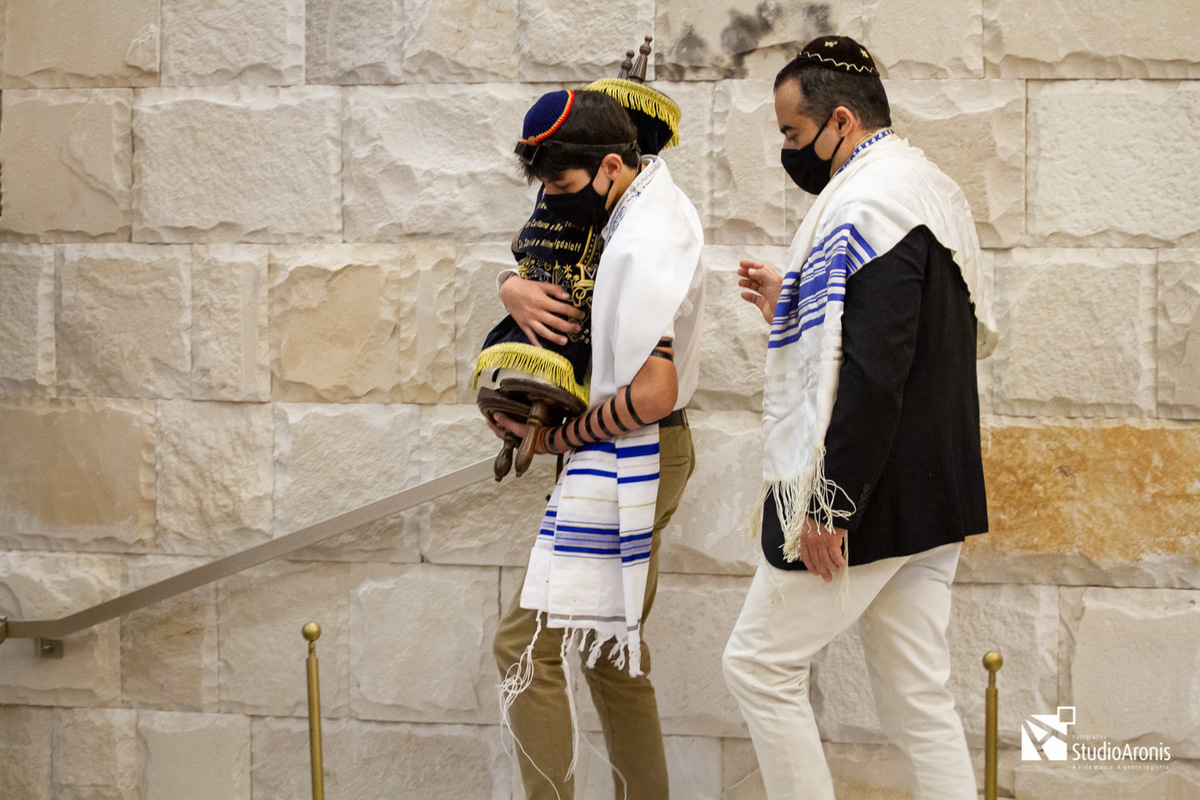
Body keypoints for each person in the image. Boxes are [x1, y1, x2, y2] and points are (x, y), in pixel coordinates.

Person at [721, 36, 998, 799]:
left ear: (839, 121)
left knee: (757, 666)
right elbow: (893, 334)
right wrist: (795, 304)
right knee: (918, 700)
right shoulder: (927, 188)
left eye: (790, 133)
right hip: (935, 495)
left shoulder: (870, 203)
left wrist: (830, 502)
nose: (787, 149)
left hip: (871, 497)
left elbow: (877, 374)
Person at [490, 88, 705, 800]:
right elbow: (548, 256)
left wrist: (558, 438)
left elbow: (652, 391)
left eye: (564, 184)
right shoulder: (637, 206)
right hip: (644, 453)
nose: (556, 201)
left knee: (523, 647)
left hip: (632, 450)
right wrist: (510, 287)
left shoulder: (644, 240)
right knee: (615, 660)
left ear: (611, 165)